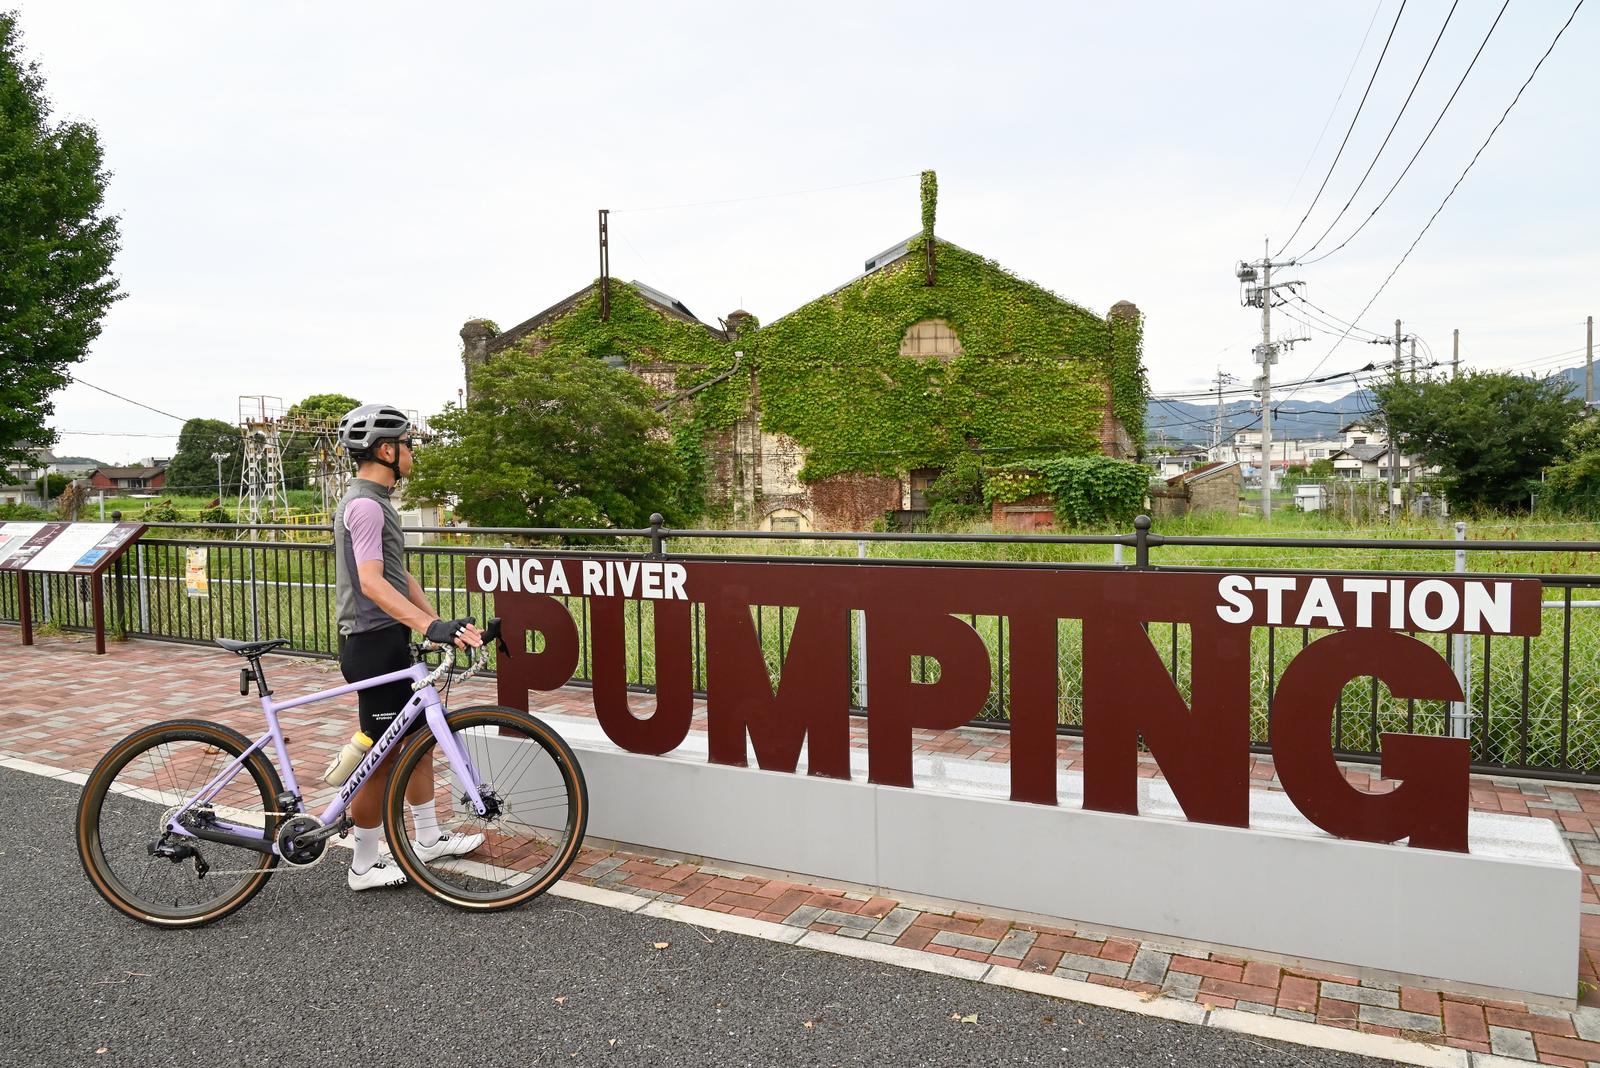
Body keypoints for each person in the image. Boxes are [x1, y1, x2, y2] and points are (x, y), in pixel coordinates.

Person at [332, 403, 484, 890]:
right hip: (370, 643)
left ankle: (428, 837)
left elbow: (400, 576)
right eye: (408, 444)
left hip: (389, 639)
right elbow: (373, 585)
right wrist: (428, 626)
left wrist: (436, 623)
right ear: (386, 450)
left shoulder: (377, 502)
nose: (413, 452)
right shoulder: (364, 505)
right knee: (380, 758)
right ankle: (363, 865)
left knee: (417, 743)